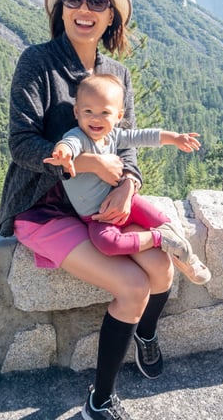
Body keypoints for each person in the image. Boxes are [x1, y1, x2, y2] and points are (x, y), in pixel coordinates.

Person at [0, 0, 186, 420]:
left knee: (163, 272)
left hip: (101, 203)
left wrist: (128, 184)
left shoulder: (117, 74)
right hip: (46, 207)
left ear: (110, 17)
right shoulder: (37, 63)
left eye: (97, 1)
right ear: (60, 9)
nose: (85, 9)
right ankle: (99, 401)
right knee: (132, 285)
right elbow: (21, 145)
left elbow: (127, 144)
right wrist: (83, 163)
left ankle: (143, 332)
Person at [43, 73, 212, 285]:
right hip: (96, 217)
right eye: (88, 112)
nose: (95, 118)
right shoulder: (78, 136)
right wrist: (62, 153)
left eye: (105, 112)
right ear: (77, 112)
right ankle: (162, 239)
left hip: (126, 201)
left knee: (160, 220)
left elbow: (144, 136)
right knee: (107, 244)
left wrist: (175, 138)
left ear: (119, 115)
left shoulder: (115, 135)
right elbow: (68, 144)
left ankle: (188, 258)